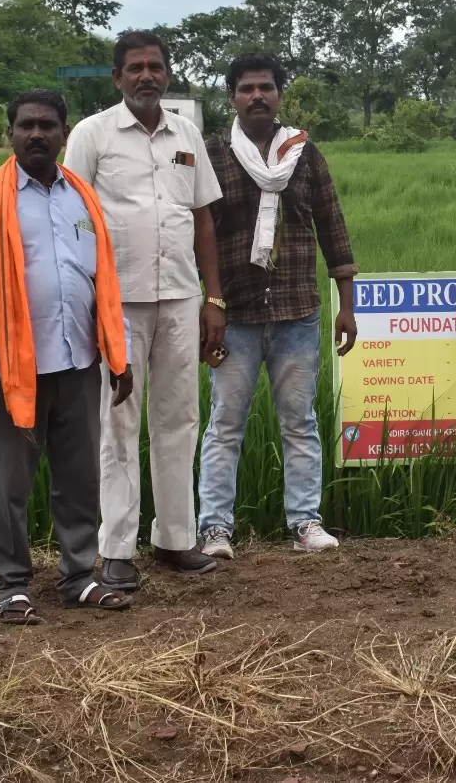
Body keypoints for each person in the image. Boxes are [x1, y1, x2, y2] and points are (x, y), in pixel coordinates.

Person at [0, 90, 136, 622]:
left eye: (47, 126)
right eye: (26, 125)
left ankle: (79, 576)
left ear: (63, 133)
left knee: (79, 478)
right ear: (9, 133)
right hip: (13, 370)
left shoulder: (84, 198)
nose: (37, 134)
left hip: (80, 361)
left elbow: (105, 280)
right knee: (12, 484)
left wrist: (117, 352)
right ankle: (11, 584)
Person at [63, 31, 226, 588]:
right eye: (134, 68)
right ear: (117, 77)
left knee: (179, 418)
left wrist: (214, 298)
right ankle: (116, 548)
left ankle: (176, 538)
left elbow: (203, 217)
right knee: (118, 421)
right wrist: (87, 298)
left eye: (155, 67)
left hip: (180, 297)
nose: (146, 76)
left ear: (168, 74)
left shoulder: (187, 134)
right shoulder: (93, 134)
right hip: (117, 303)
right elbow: (73, 216)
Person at [197, 54, 358, 557]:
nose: (257, 96)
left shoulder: (303, 154)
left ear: (279, 95)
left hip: (296, 311)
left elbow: (331, 226)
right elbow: (197, 233)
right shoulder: (213, 153)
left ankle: (306, 522)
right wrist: (210, 303)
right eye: (246, 88)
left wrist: (346, 305)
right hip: (235, 314)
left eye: (266, 87)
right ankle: (214, 528)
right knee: (225, 424)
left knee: (300, 421)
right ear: (232, 97)